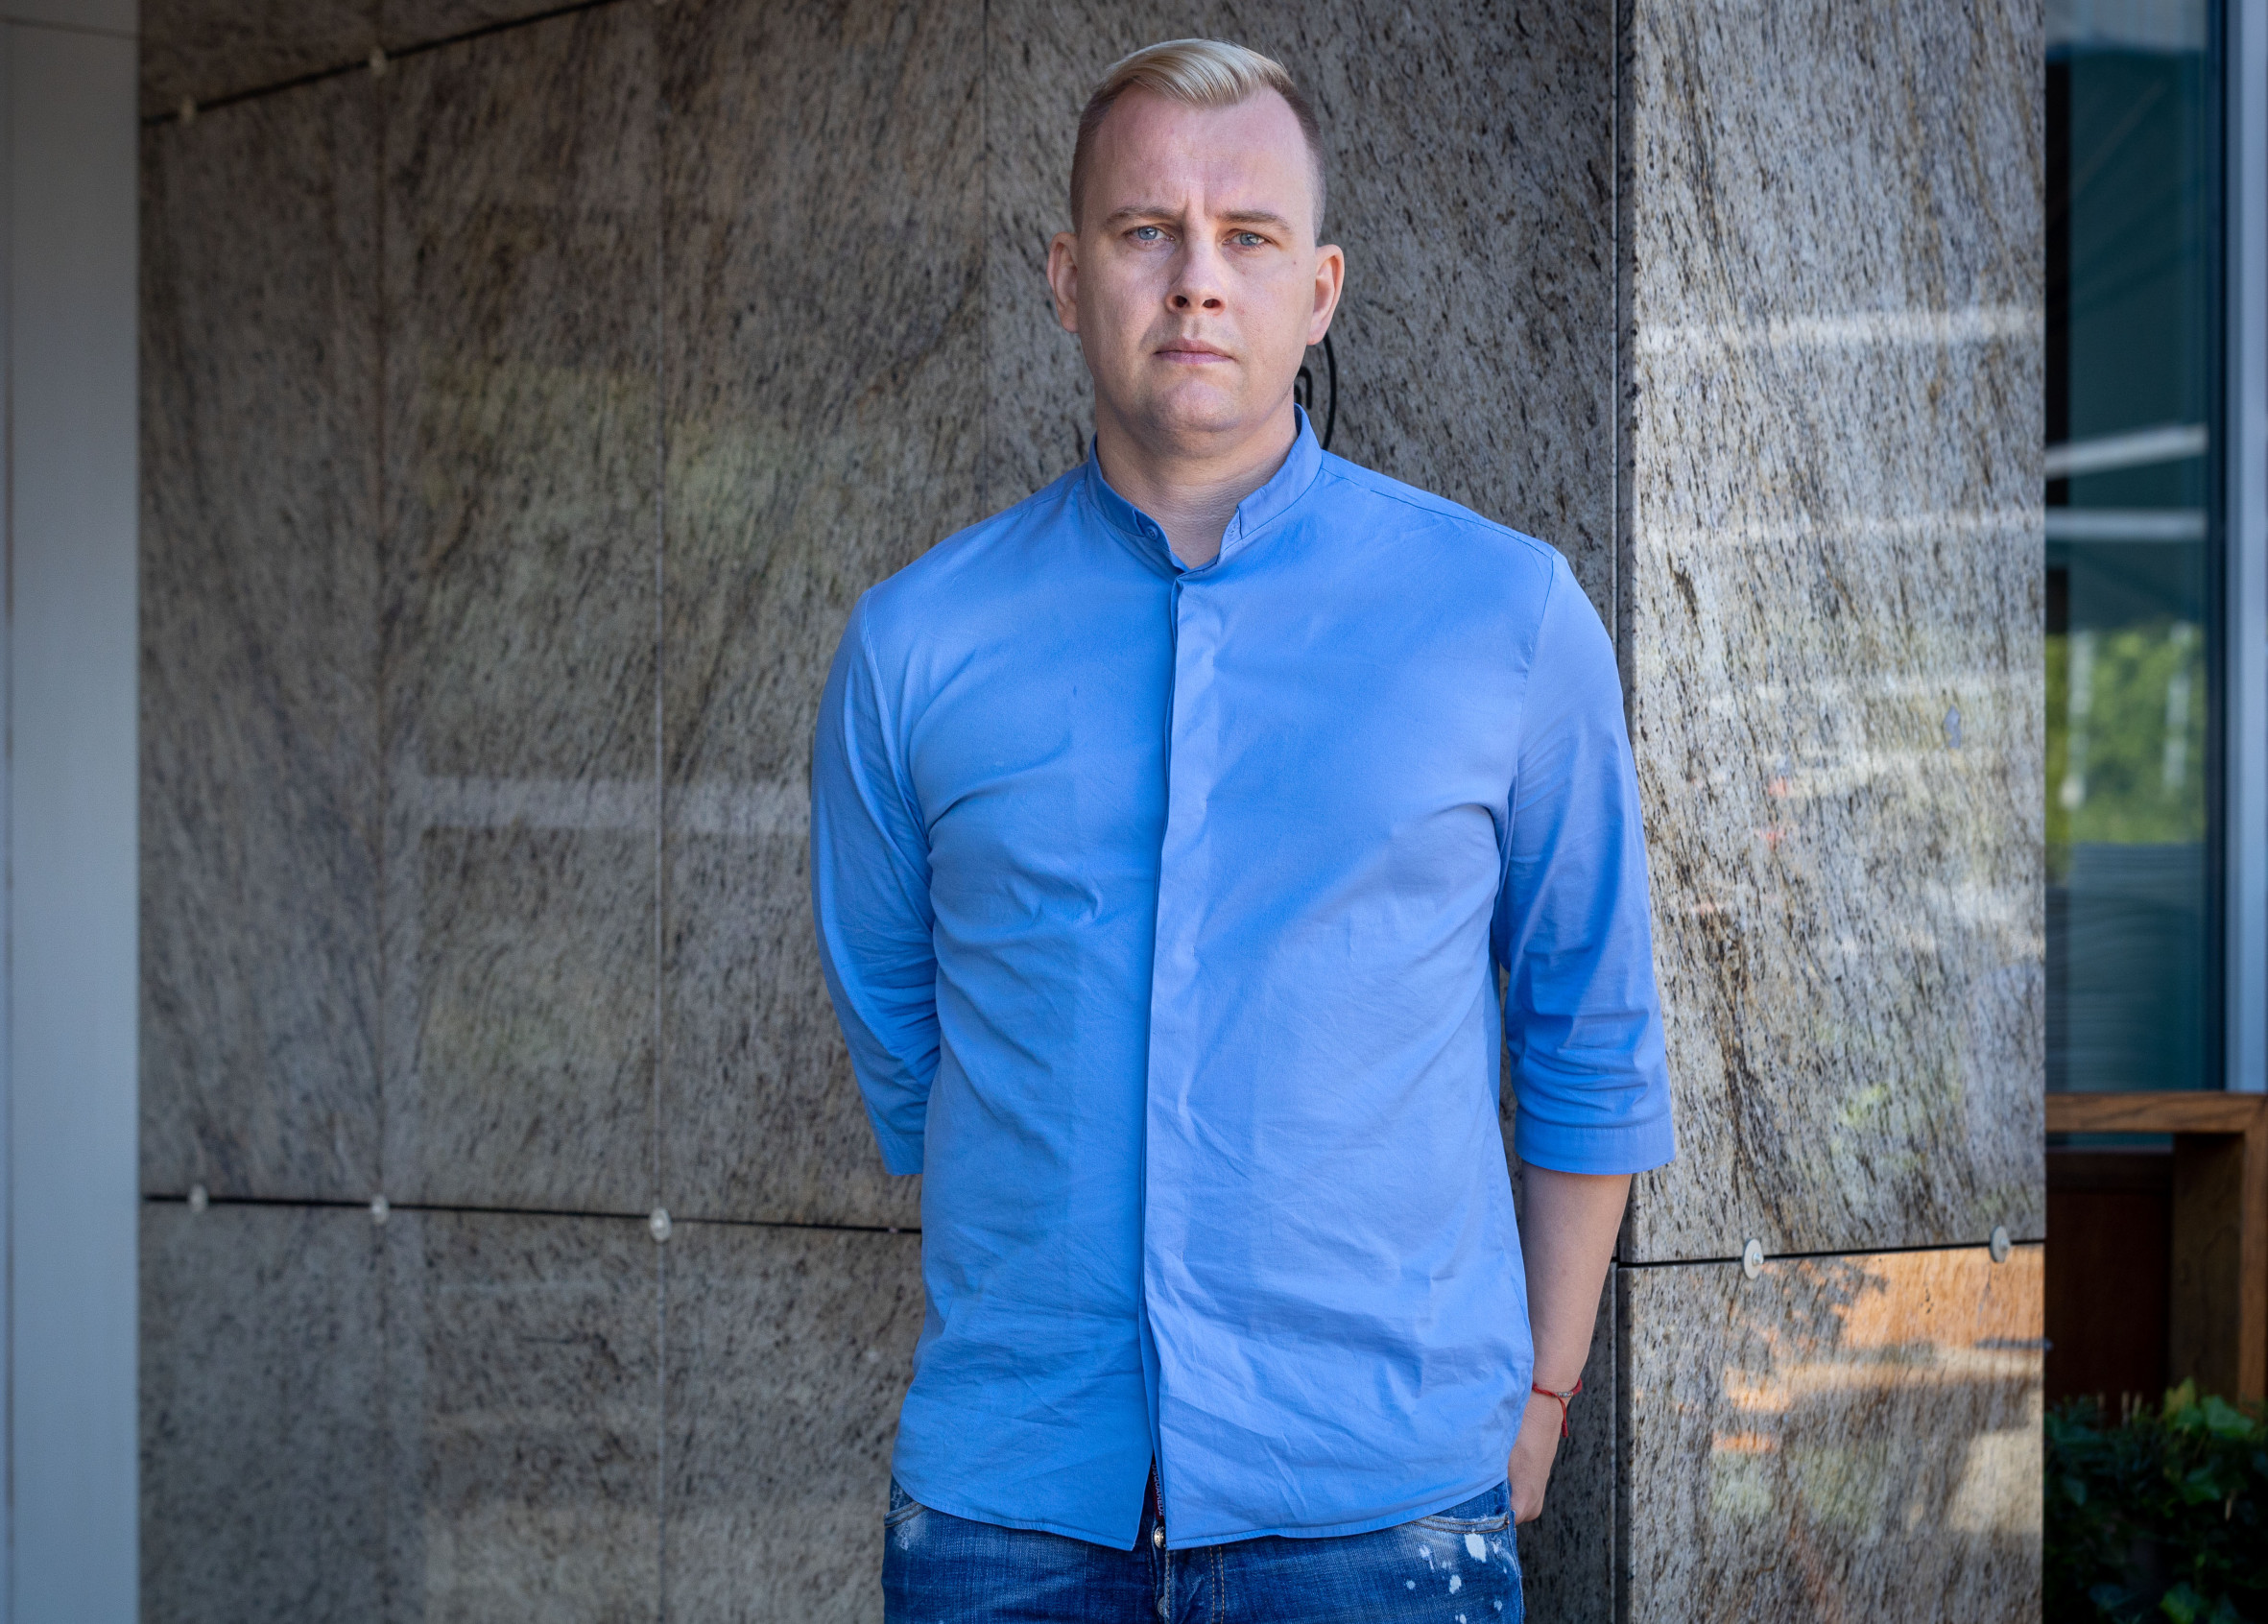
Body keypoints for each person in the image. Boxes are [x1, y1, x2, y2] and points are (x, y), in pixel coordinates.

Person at [812, 37, 1674, 1624]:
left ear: (1320, 289)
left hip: (1382, 1512)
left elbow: (1591, 1031)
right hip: (1009, 1514)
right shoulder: (914, 645)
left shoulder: (1507, 618)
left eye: (1249, 235)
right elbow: (908, 1041)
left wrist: (1545, 1396)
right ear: (1067, 279)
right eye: (1146, 230)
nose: (1197, 279)